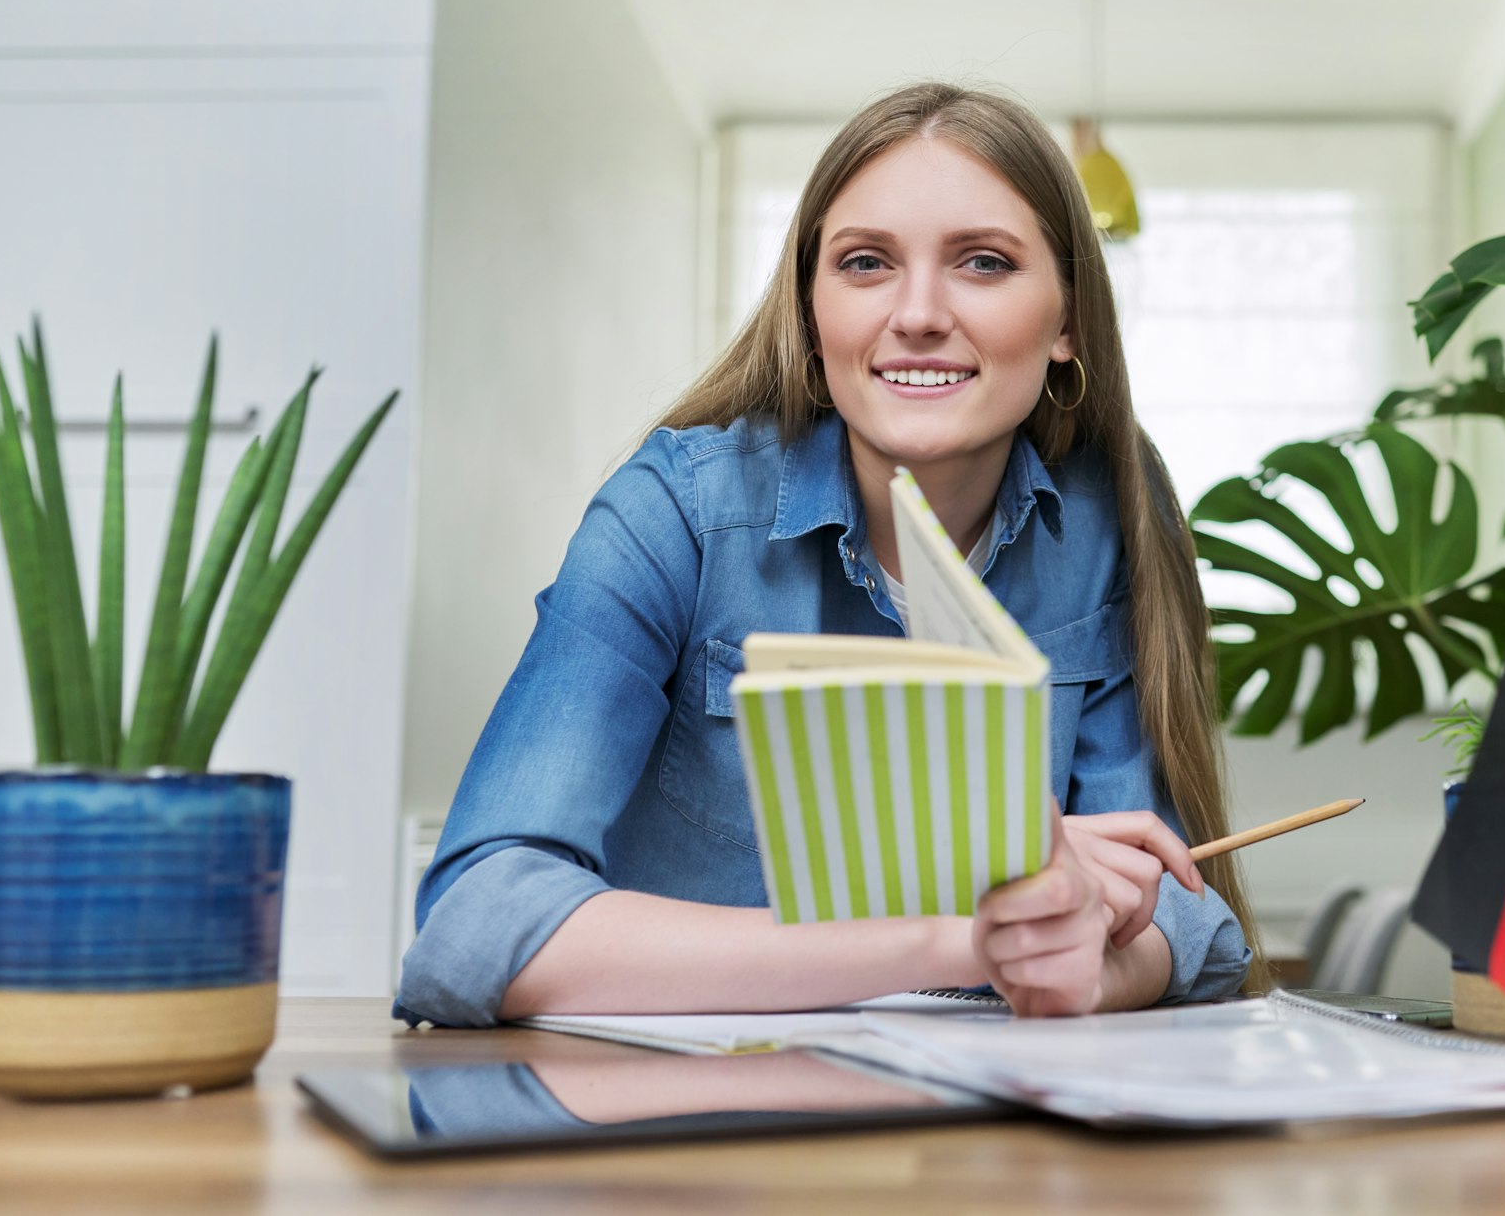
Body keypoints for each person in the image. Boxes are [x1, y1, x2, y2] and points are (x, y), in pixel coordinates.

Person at [397, 82, 1257, 1028]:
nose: (918, 313)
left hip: (978, 1107)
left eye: (983, 262)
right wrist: (957, 936)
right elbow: (475, 923)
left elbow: (1173, 895)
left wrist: (1090, 969)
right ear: (810, 313)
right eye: (865, 262)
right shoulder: (677, 510)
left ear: (1068, 322)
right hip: (686, 1110)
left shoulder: (1102, 520)